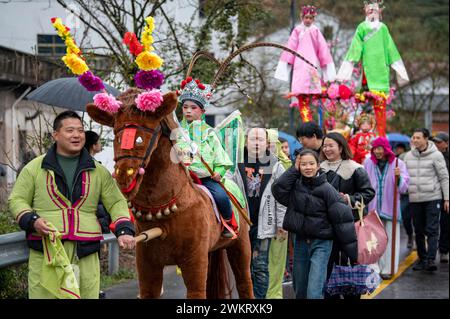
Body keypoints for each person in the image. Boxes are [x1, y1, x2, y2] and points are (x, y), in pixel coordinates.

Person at [8, 111, 135, 299]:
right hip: (47, 250)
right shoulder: (34, 168)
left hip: (86, 251)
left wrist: (124, 229)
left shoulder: (98, 171)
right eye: (70, 130)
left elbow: (116, 201)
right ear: (55, 135)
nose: (76, 135)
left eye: (81, 131)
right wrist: (32, 220)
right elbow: (17, 199)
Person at [272, 149, 357, 299]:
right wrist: (293, 170)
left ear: (318, 166)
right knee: (300, 290)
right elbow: (278, 189)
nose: (308, 167)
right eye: (303, 164)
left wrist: (352, 253)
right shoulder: (295, 186)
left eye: (311, 163)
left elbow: (343, 219)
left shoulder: (327, 189)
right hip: (300, 241)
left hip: (322, 244)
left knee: (314, 291)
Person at [336, 0, 409, 136]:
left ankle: (381, 137)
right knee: (359, 108)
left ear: (379, 11)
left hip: (381, 72)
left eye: (374, 10)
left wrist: (400, 72)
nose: (372, 13)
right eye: (369, 10)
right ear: (365, 11)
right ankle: (359, 135)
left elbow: (391, 50)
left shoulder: (383, 28)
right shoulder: (362, 27)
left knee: (380, 109)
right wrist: (344, 73)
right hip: (367, 73)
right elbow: (354, 50)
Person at [320, 132, 375, 299]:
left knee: (349, 265)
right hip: (326, 226)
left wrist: (349, 199)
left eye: (331, 145)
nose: (327, 149)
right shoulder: (319, 168)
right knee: (328, 266)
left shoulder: (355, 168)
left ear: (341, 147)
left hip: (350, 226)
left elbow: (368, 193)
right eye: (325, 145)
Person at [233, 128, 287, 299]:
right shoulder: (236, 162)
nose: (256, 143)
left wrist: (282, 223)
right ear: (246, 141)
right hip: (242, 223)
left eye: (260, 140)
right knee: (243, 267)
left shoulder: (275, 165)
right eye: (252, 139)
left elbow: (282, 198)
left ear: (267, 143)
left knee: (260, 266)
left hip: (264, 224)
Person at [177, 78, 235, 238]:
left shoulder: (210, 133)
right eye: (185, 107)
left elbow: (221, 158)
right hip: (181, 177)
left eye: (193, 107)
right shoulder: (176, 132)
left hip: (205, 179)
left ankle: (227, 223)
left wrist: (218, 172)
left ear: (202, 111)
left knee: (221, 197)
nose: (188, 110)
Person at [274, 4, 336, 123]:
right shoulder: (297, 30)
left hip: (312, 65)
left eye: (310, 18)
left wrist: (326, 66)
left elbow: (323, 49)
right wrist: (286, 64)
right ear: (302, 17)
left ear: (314, 19)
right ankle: (307, 121)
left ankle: (313, 122)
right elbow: (290, 48)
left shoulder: (315, 30)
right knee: (302, 96)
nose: (308, 20)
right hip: (300, 66)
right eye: (306, 17)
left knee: (312, 96)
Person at [363, 137, 409, 279]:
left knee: (390, 240)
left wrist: (399, 177)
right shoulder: (367, 162)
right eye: (375, 148)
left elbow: (404, 187)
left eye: (380, 148)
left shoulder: (398, 163)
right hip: (373, 208)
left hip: (390, 209)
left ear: (386, 149)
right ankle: (375, 268)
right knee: (373, 241)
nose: (377, 151)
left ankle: (388, 269)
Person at [404, 128, 449, 271]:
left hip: (432, 197)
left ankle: (430, 260)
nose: (415, 140)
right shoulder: (407, 156)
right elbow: (403, 177)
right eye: (413, 137)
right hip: (415, 198)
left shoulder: (436, 155)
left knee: (432, 229)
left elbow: (444, 177)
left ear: (426, 139)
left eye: (418, 138)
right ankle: (422, 259)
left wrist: (447, 198)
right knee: (418, 230)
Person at [432, 132, 449, 263]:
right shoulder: (430, 155)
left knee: (445, 223)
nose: (437, 144)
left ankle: (443, 250)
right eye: (435, 141)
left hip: (446, 196)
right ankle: (428, 252)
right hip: (431, 194)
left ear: (446, 143)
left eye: (439, 142)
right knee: (430, 224)